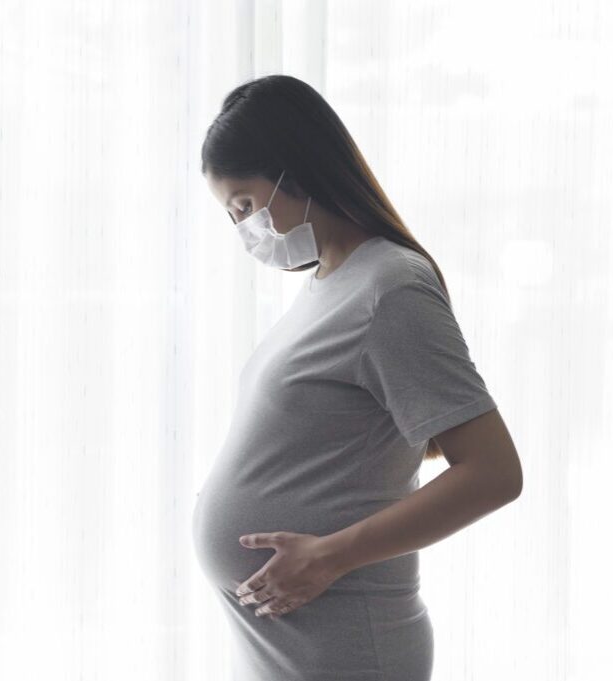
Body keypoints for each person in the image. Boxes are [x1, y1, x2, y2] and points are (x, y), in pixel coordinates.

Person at [191, 74, 523, 681]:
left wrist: (328, 555)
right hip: (295, 644)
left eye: (243, 206)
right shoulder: (327, 283)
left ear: (295, 173)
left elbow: (493, 473)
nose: (243, 230)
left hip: (345, 649)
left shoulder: (390, 287)